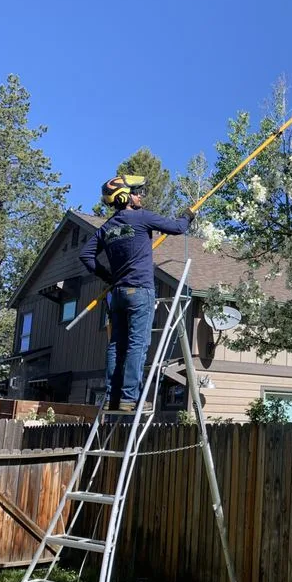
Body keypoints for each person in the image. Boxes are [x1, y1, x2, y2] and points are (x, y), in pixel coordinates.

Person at [79, 175, 195, 412]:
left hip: (118, 294)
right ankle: (129, 399)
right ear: (124, 196)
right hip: (140, 291)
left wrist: (108, 277)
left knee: (115, 345)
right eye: (136, 192)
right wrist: (188, 215)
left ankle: (113, 396)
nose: (140, 195)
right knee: (136, 345)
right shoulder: (141, 218)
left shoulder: (107, 228)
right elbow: (178, 227)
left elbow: (86, 255)